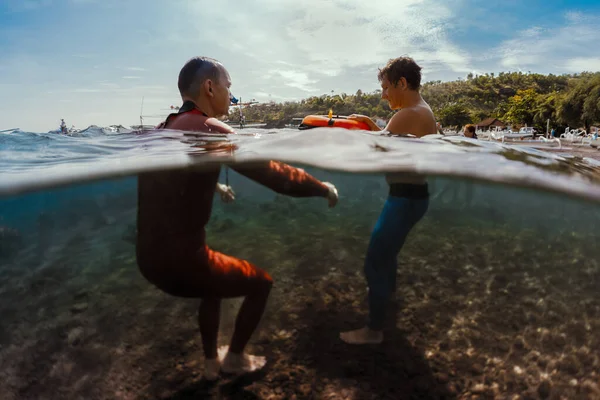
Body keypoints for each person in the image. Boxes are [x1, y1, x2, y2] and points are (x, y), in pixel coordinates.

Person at [136, 56, 339, 379]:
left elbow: (171, 182)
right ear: (209, 87)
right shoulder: (210, 129)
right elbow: (273, 175)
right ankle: (235, 358)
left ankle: (209, 365)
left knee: (213, 284)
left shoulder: (165, 129)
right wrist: (322, 187)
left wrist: (213, 184)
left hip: (148, 261)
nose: (231, 96)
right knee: (261, 283)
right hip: (182, 264)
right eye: (229, 87)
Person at [340, 56, 437, 344]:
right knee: (387, 256)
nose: (383, 95)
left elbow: (377, 149)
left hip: (404, 200)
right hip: (411, 197)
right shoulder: (420, 110)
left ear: (402, 83)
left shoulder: (408, 113)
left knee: (375, 262)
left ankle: (374, 330)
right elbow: (389, 139)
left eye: (385, 87)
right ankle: (387, 307)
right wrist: (372, 126)